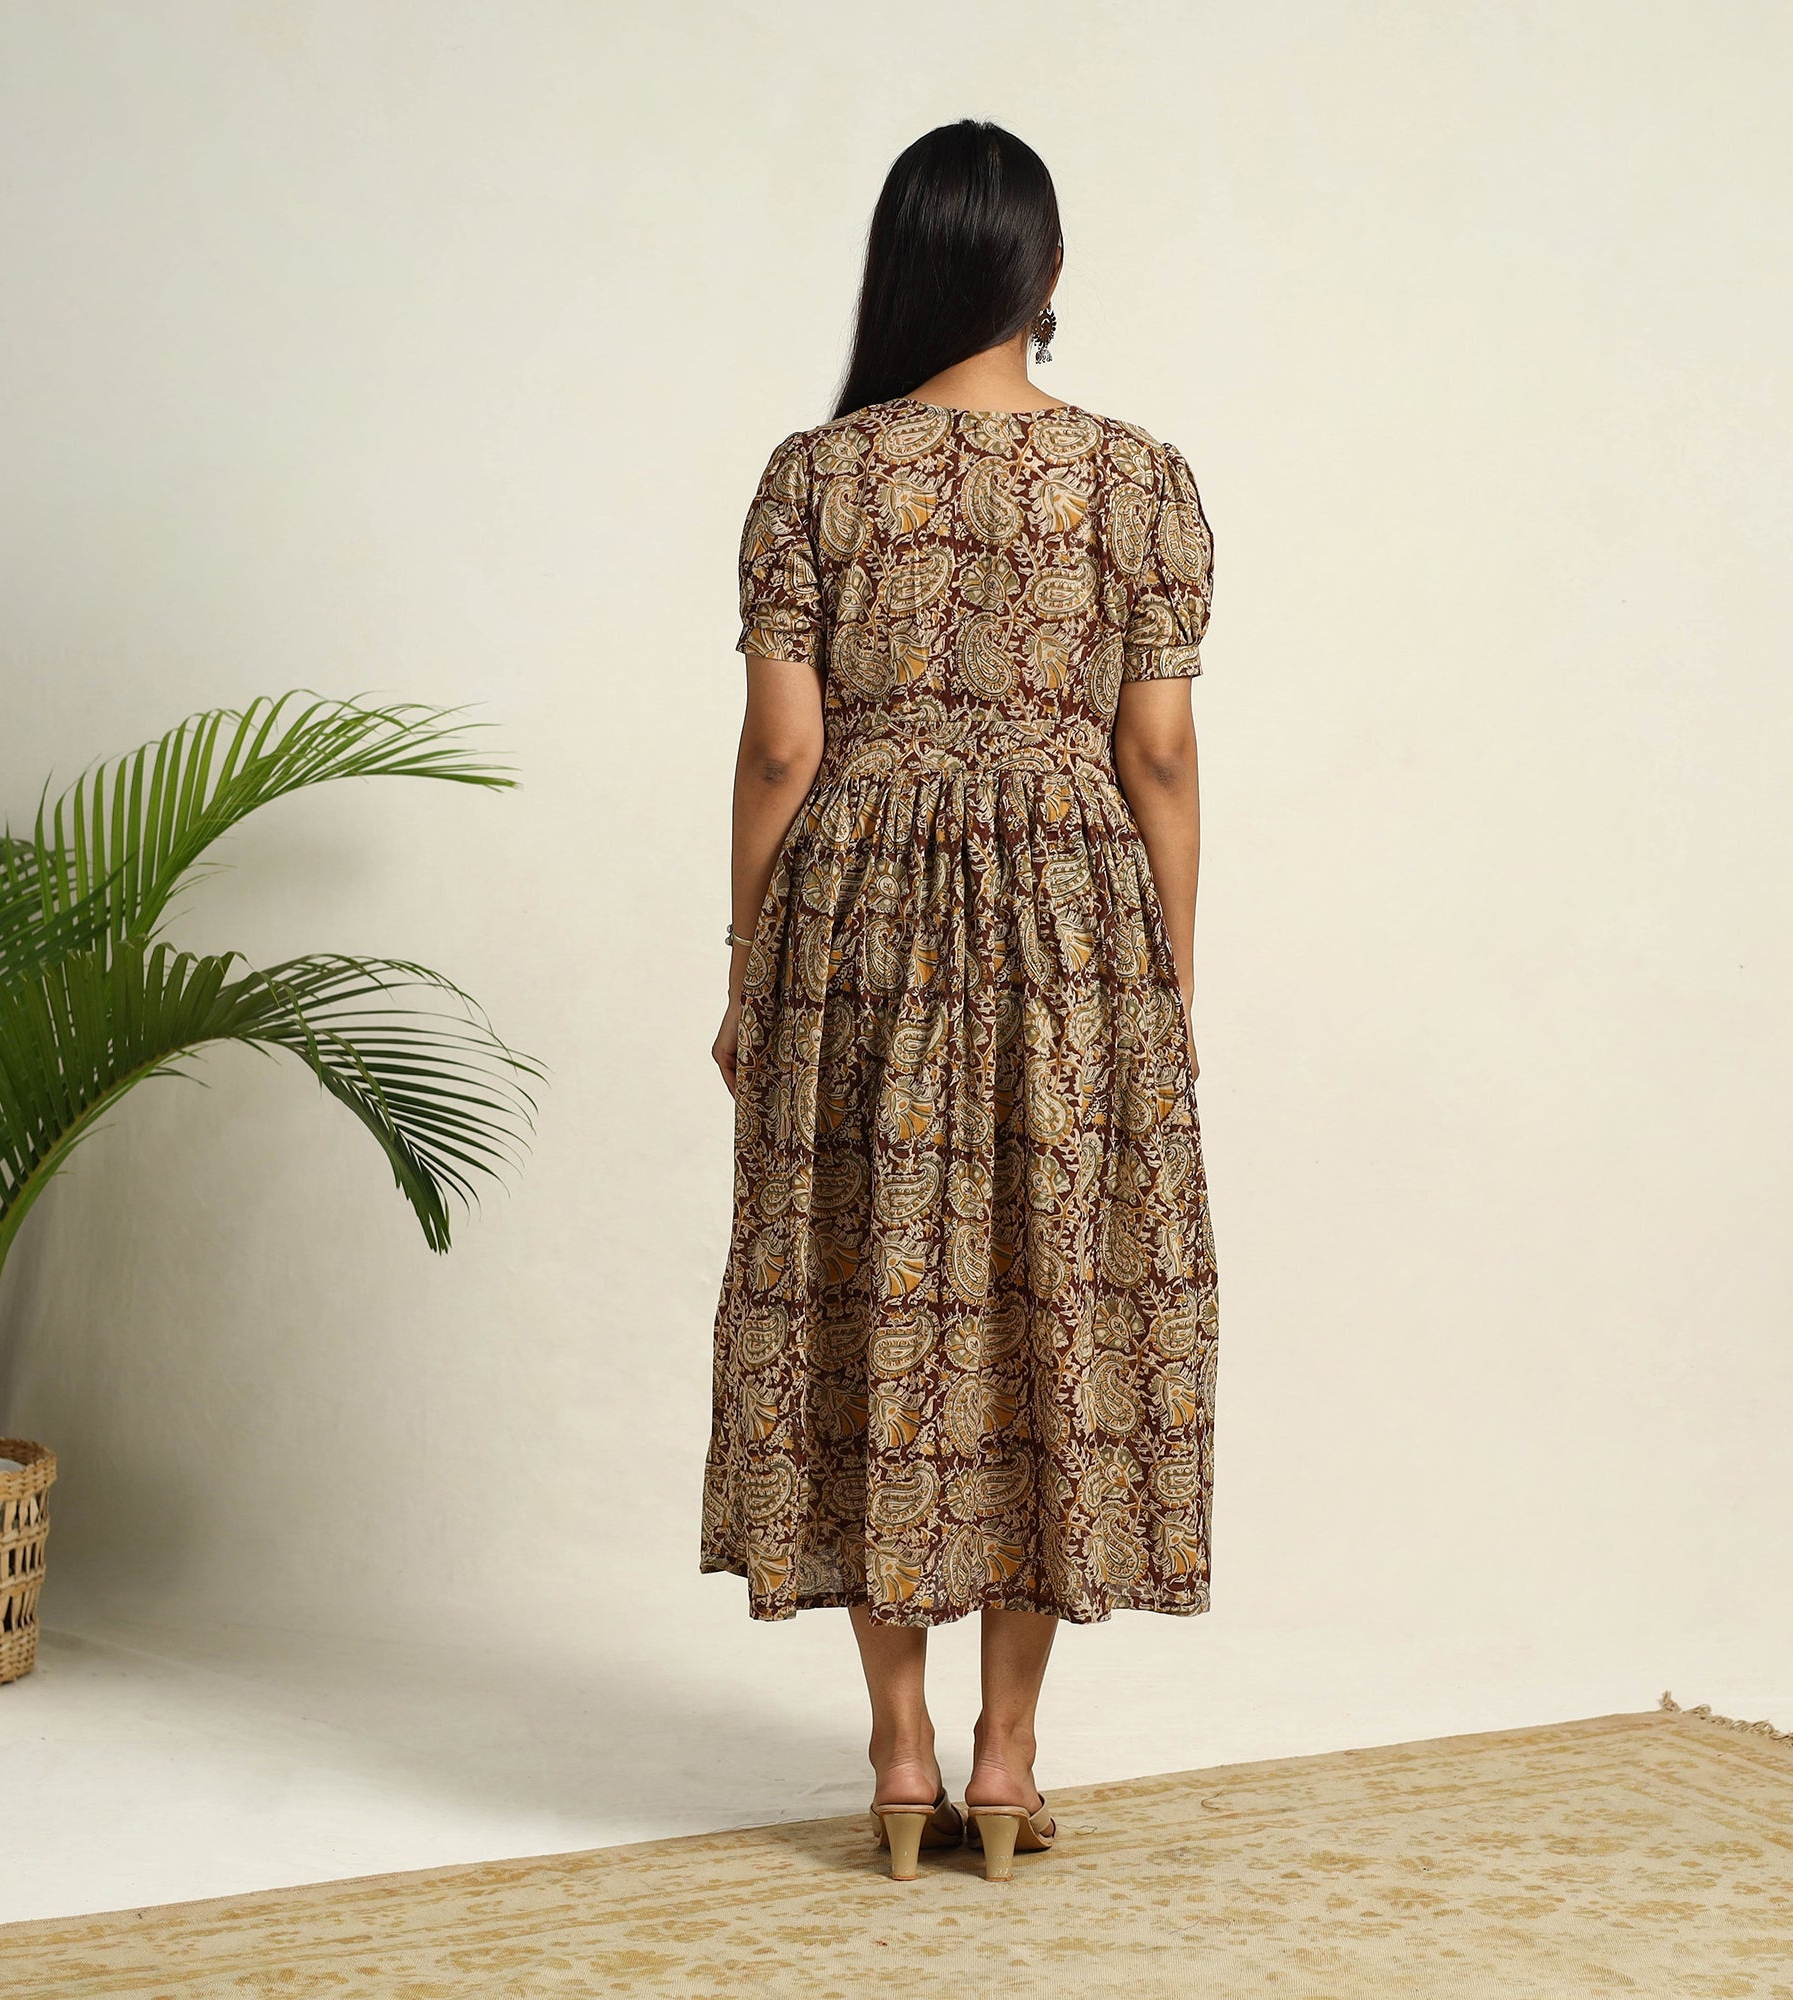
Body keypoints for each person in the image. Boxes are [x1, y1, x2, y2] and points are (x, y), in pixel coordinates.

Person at [701, 117, 1217, 1884]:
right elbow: (1159, 754)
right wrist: (1163, 988)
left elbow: (783, 751)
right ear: (1045, 276)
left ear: (904, 268)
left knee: (873, 1296)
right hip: (1073, 930)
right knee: (1045, 1307)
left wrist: (747, 973)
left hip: (858, 924)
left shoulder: (814, 478)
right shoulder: (1138, 481)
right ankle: (1008, 1754)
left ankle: (899, 1749)